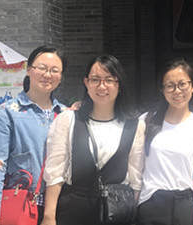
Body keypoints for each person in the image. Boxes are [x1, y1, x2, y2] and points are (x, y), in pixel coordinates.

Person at [40, 54, 145, 225]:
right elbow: (55, 172)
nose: (102, 86)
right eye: (95, 79)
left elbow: (135, 179)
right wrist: (49, 217)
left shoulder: (135, 126)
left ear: (119, 84)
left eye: (109, 80)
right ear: (86, 83)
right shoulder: (68, 119)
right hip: (73, 212)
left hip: (116, 214)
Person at [0, 45, 67, 225]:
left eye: (54, 70)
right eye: (42, 68)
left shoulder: (67, 115)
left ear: (60, 76)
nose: (47, 75)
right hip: (20, 207)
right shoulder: (7, 113)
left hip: (59, 209)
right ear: (28, 70)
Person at [137, 58, 193, 225]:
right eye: (170, 86)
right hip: (151, 202)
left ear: (192, 86)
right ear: (162, 90)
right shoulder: (146, 121)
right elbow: (135, 166)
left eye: (182, 84)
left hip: (185, 204)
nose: (177, 91)